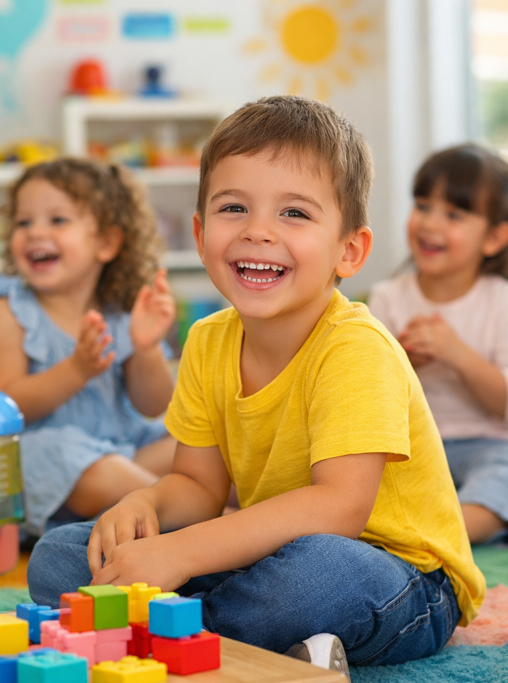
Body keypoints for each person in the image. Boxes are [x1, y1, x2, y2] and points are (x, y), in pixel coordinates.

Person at [26, 96, 484, 673]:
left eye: (294, 214)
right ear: (199, 234)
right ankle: (238, 639)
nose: (258, 232)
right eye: (234, 208)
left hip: (399, 575)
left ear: (350, 250)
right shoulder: (207, 341)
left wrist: (179, 552)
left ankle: (185, 631)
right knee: (63, 555)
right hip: (263, 554)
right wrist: (144, 503)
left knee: (319, 573)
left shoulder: (356, 348)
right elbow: (196, 486)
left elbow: (340, 507)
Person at [0, 158, 177, 535]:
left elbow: (155, 404)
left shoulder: (122, 312)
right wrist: (76, 370)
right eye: (23, 222)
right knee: (72, 458)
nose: (35, 232)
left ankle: (167, 504)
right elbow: (7, 406)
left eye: (58, 220)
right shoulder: (12, 311)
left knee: (196, 442)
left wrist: (146, 349)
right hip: (52, 463)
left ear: (107, 242)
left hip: (128, 451)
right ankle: (195, 516)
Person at [370, 144, 508, 544]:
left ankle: (441, 532)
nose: (430, 224)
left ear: (494, 237)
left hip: (487, 446)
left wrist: (457, 354)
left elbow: (502, 405)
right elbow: (371, 401)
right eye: (423, 205)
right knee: (357, 475)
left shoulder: (499, 300)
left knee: (503, 475)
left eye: (453, 214)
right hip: (411, 450)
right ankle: (413, 527)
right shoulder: (387, 298)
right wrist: (402, 360)